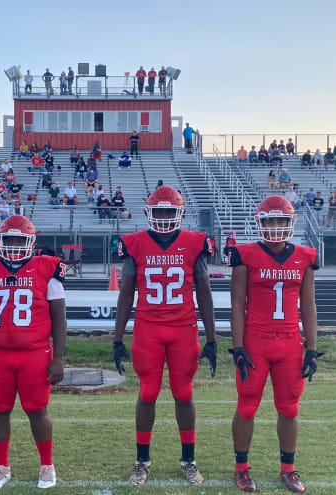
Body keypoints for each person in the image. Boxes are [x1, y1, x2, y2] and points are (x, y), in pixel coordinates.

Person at [113, 186, 216, 486]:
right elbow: (125, 295)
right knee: (147, 392)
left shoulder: (195, 243)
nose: (164, 217)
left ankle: (188, 460)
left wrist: (212, 338)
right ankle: (142, 461)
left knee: (183, 392)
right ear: (149, 212)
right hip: (149, 328)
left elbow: (205, 295)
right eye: (158, 211)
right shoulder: (135, 244)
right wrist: (117, 339)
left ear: (180, 213)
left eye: (169, 211)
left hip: (183, 328)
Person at [0, 215, 66, 490]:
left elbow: (59, 318)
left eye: (20, 239)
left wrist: (58, 358)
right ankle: (1, 467)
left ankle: (47, 466)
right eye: (10, 239)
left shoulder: (47, 269)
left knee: (37, 410)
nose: (15, 244)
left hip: (35, 353)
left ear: (31, 241)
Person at [228, 195, 319, 494]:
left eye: (281, 220)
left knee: (290, 408)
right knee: (247, 406)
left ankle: (288, 469)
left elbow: (309, 307)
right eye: (270, 221)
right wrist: (239, 347)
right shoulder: (245, 254)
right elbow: (237, 305)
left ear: (291, 222)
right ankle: (242, 469)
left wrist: (312, 348)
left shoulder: (305, 256)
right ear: (260, 223)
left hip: (291, 342)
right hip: (256, 341)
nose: (276, 226)